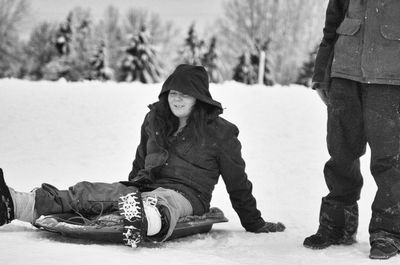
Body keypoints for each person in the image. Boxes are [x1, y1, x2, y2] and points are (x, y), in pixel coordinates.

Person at [0, 64, 285, 247]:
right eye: (173, 92)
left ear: (199, 98)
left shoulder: (221, 132)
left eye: (185, 94)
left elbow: (237, 182)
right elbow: (140, 161)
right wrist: (124, 190)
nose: (177, 99)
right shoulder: (155, 120)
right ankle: (17, 204)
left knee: (162, 201)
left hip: (188, 196)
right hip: (145, 187)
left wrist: (255, 223)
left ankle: (150, 217)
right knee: (92, 192)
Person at [304, 0, 400, 260]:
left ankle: (388, 231)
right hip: (344, 74)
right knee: (341, 152)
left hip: (391, 79)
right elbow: (332, 24)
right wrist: (322, 73)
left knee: (390, 159)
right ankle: (337, 225)